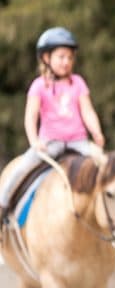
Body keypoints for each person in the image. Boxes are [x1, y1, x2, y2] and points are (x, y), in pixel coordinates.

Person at [0, 27, 106, 221]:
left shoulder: (78, 83)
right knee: (22, 168)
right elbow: (30, 117)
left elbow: (87, 110)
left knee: (106, 165)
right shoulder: (39, 85)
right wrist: (34, 141)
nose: (66, 62)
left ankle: (108, 214)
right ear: (47, 58)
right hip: (50, 142)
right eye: (61, 57)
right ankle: (3, 205)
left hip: (78, 141)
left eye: (70, 57)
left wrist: (96, 132)